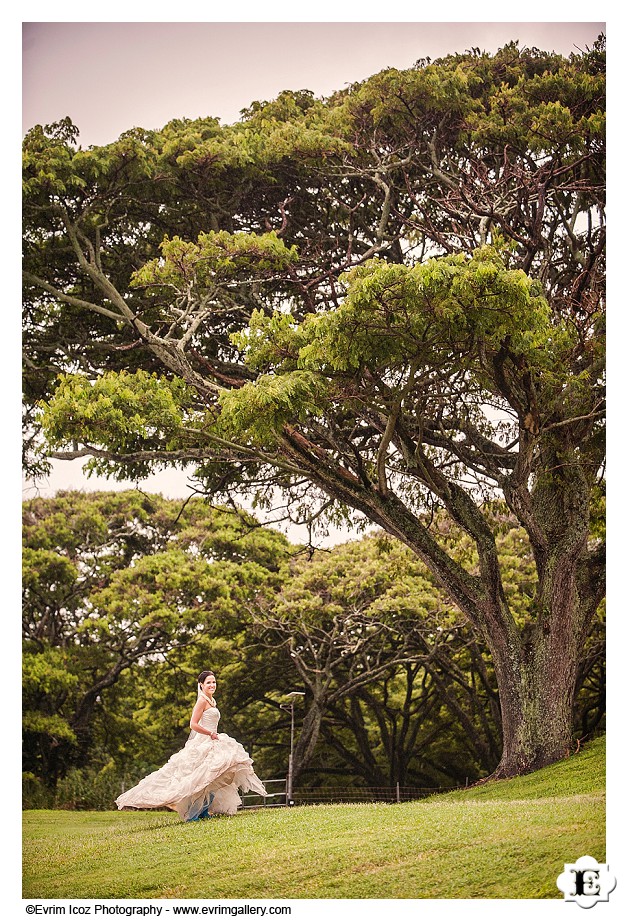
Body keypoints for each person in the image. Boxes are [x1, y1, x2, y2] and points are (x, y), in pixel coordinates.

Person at [116, 671, 266, 821]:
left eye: (214, 682)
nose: (212, 685)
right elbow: (193, 724)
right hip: (205, 741)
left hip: (213, 740)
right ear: (201, 684)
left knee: (214, 777)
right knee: (201, 778)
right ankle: (193, 814)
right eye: (209, 682)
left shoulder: (212, 700)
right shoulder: (202, 701)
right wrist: (210, 733)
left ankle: (204, 811)